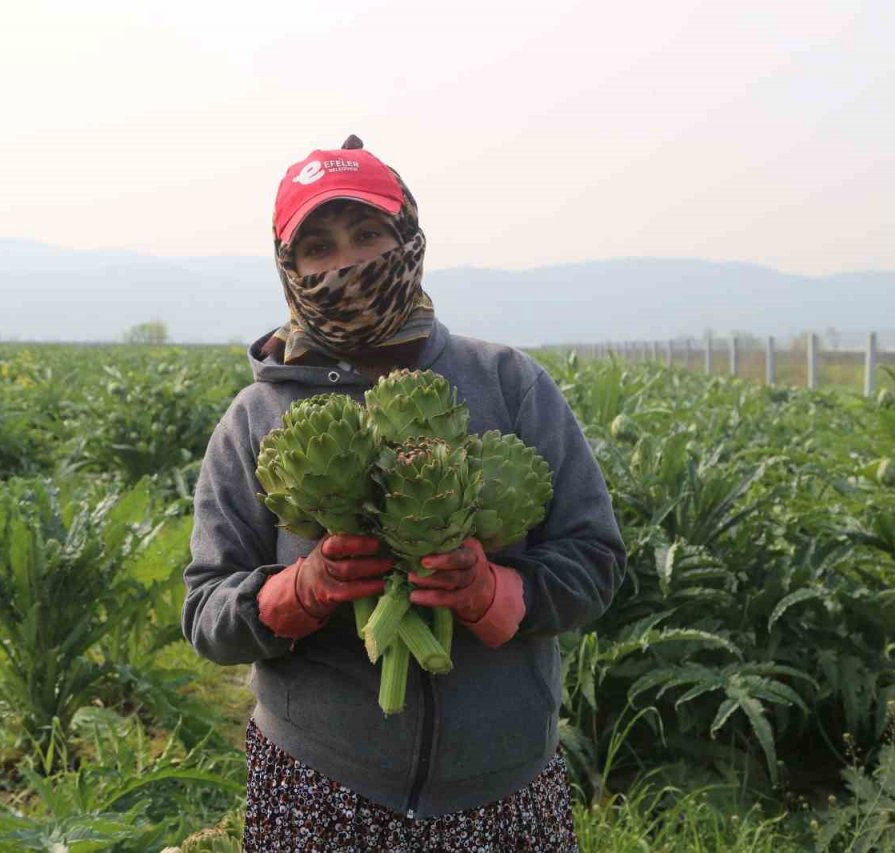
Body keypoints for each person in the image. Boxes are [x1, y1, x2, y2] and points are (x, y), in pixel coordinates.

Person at [182, 135, 627, 852]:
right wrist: (300, 591)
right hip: (319, 785)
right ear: (286, 267)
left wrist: (495, 590)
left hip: (502, 785)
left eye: (367, 234)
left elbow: (596, 561)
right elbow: (205, 612)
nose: (347, 263)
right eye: (318, 247)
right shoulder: (255, 421)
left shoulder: (508, 385)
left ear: (409, 238)